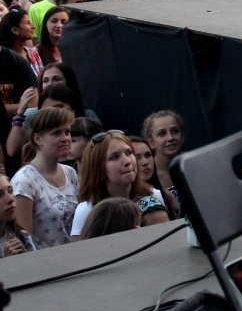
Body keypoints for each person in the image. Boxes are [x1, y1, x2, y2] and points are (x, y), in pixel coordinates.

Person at [70, 130, 164, 239]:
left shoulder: (153, 196)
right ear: (98, 168)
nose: (127, 161)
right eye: (114, 157)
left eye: (129, 153)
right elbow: (79, 248)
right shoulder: (86, 209)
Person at [12, 106, 78, 249]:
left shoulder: (70, 173)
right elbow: (25, 242)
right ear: (38, 139)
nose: (65, 138)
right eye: (57, 133)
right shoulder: (24, 181)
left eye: (67, 132)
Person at [143, 110, 185, 218]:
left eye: (175, 131)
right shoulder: (146, 174)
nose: (170, 138)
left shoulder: (193, 166)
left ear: (182, 136)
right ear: (151, 143)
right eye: (162, 134)